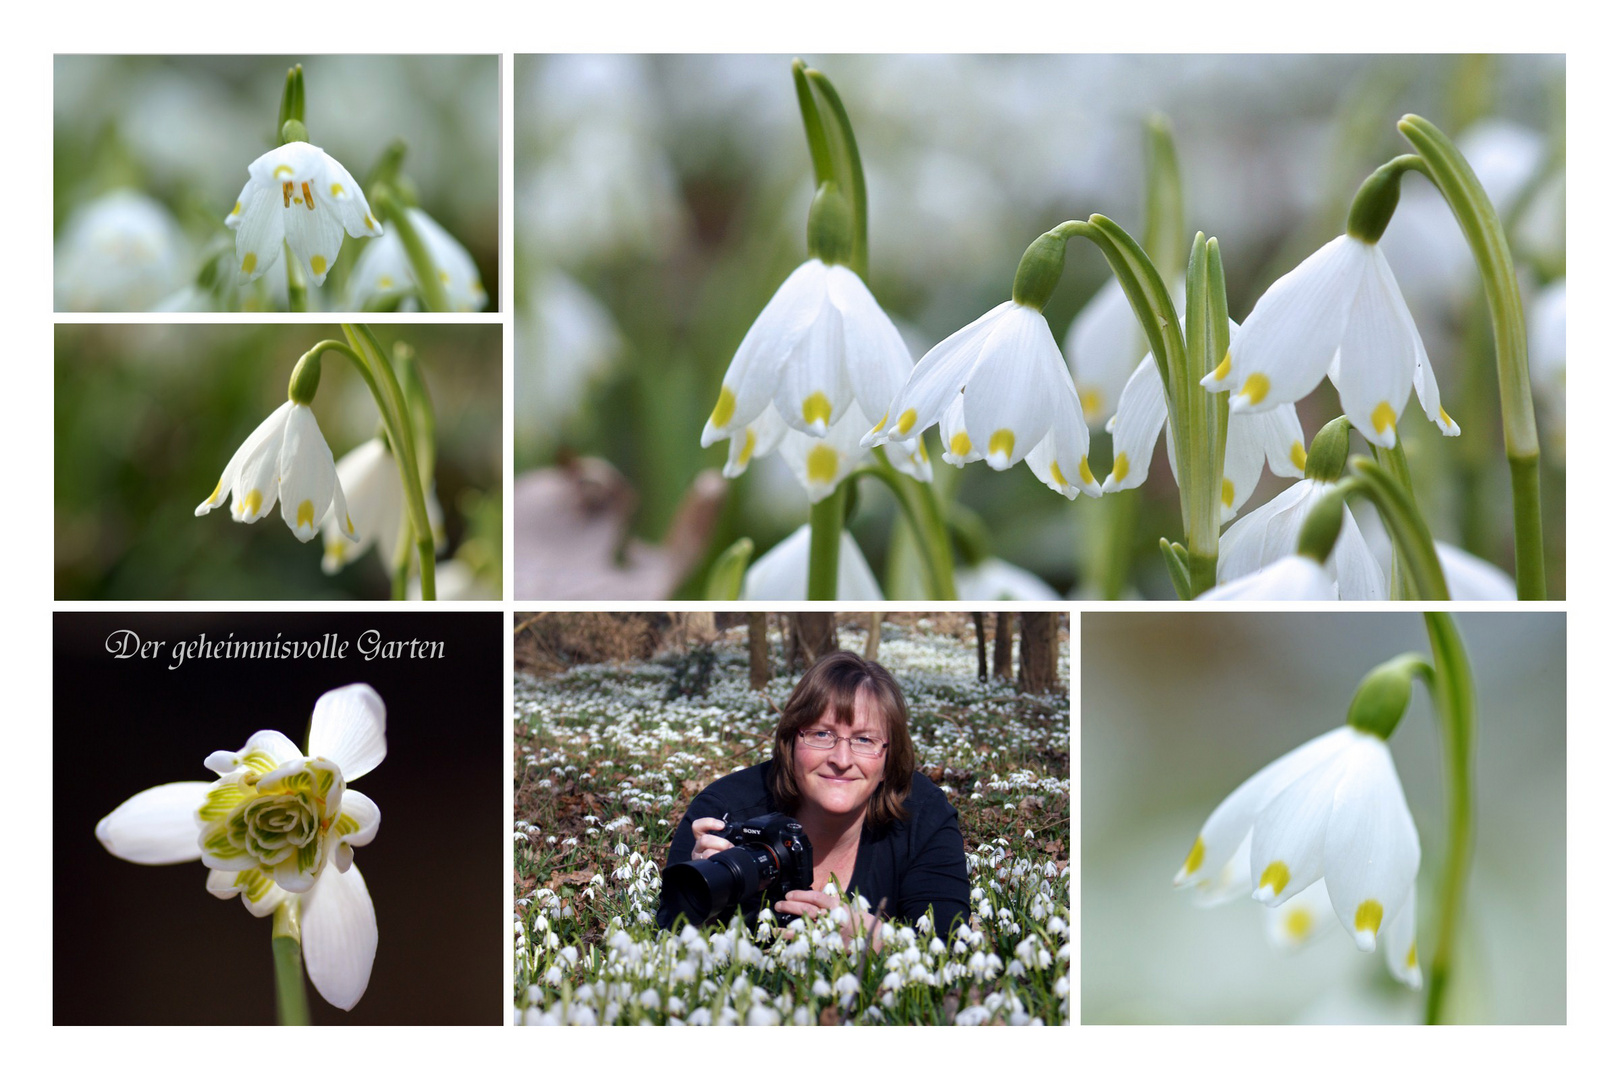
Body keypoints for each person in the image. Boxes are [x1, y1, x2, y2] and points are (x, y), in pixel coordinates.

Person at [657, 650, 970, 942]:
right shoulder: (724, 811)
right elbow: (669, 939)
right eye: (822, 734)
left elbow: (949, 947)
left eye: (864, 739)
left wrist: (876, 942)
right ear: (791, 742)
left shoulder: (923, 816)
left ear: (889, 759)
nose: (842, 759)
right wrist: (702, 893)